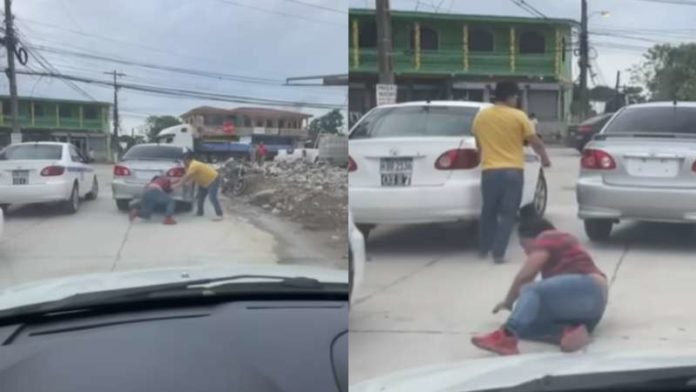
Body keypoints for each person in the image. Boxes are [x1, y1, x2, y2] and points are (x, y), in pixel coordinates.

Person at [471, 212, 608, 355]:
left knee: (530, 289)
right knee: (526, 325)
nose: (525, 251)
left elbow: (526, 275)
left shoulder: (547, 236)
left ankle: (507, 336)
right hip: (591, 309)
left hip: (588, 287)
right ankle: (569, 330)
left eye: (523, 245)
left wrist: (509, 301)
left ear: (533, 237)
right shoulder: (565, 245)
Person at [471, 81, 551, 263]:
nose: (516, 100)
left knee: (488, 212)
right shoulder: (519, 116)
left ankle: (484, 249)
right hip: (513, 171)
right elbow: (535, 142)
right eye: (516, 97)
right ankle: (498, 253)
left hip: (489, 172)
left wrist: (481, 158)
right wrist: (545, 159)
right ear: (510, 97)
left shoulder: (481, 117)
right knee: (508, 214)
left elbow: (478, 144)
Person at [174, 152, 224, 221]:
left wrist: (178, 185)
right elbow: (189, 176)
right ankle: (200, 212)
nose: (182, 162)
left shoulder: (194, 165)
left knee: (212, 198)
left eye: (183, 160)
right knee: (200, 198)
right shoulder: (188, 166)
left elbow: (186, 177)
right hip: (203, 182)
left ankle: (219, 215)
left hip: (212, 179)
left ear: (188, 160)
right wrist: (186, 183)